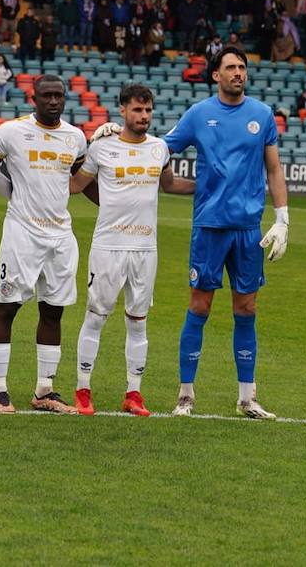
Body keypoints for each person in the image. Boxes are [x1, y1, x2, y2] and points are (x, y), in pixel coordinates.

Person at [162, 46, 289, 419]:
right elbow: (160, 150)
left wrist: (282, 219)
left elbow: (274, 170)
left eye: (243, 67)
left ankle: (247, 398)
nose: (239, 73)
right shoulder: (199, 115)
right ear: (215, 75)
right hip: (210, 227)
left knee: (246, 308)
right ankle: (186, 395)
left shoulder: (262, 115)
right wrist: (120, 136)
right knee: (199, 306)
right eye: (231, 67)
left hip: (248, 230)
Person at [68, 83, 194, 416]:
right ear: (122, 110)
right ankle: (83, 390)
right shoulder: (102, 147)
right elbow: (75, 185)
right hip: (109, 246)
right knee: (96, 316)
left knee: (138, 321)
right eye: (137, 110)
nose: (144, 116)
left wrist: (209, 185)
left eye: (148, 110)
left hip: (145, 249)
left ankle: (133, 394)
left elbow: (169, 185)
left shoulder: (159, 149)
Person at [0, 75, 87, 415]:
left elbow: (77, 178)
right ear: (34, 98)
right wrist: (10, 194)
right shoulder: (11, 133)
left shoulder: (75, 138)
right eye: (47, 95)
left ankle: (45, 389)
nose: (54, 101)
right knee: (8, 305)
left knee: (53, 309)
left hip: (60, 236)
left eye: (59, 95)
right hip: (22, 233)